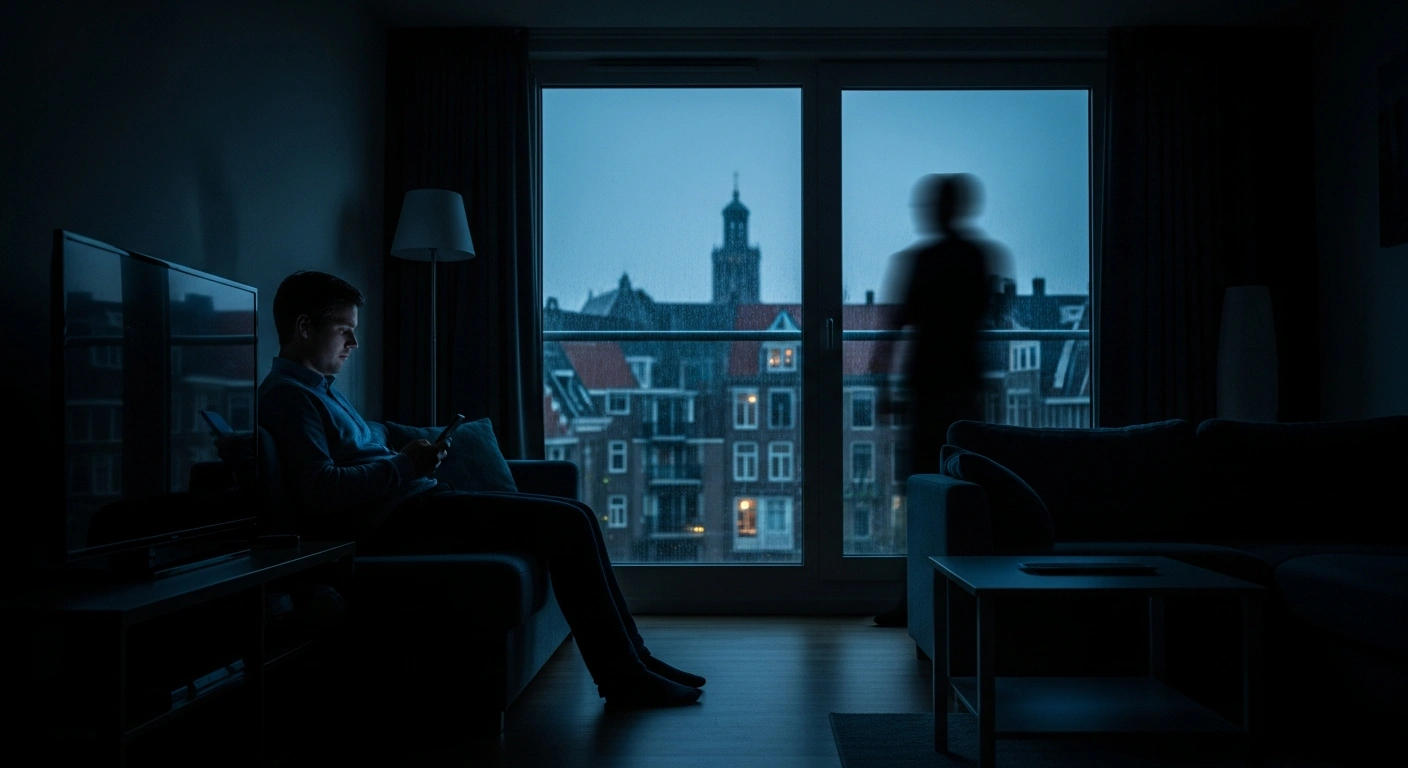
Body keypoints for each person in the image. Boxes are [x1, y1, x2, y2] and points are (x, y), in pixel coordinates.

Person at [257, 270, 704, 708]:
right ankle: (625, 678)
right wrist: (405, 465)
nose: (353, 344)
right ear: (303, 327)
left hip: (415, 505)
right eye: (344, 331)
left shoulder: (321, 391)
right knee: (569, 521)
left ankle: (636, 661)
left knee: (578, 514)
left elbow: (356, 462)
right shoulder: (289, 396)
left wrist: (412, 460)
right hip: (396, 523)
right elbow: (320, 489)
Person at [870, 174, 1009, 628]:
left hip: (928, 389)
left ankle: (914, 600)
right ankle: (965, 603)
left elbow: (893, 328)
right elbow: (986, 318)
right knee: (967, 496)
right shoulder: (980, 257)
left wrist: (884, 386)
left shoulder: (919, 261)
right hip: (963, 390)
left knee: (921, 497)